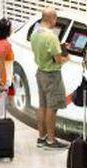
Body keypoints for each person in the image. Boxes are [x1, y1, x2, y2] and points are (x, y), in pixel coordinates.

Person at [30, 7, 69, 149]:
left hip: (40, 72)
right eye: (56, 18)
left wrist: (60, 47)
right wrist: (67, 58)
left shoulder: (35, 32)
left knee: (42, 106)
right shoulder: (51, 36)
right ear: (51, 19)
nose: (56, 21)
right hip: (52, 76)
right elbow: (58, 60)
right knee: (52, 108)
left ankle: (42, 137)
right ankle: (51, 141)